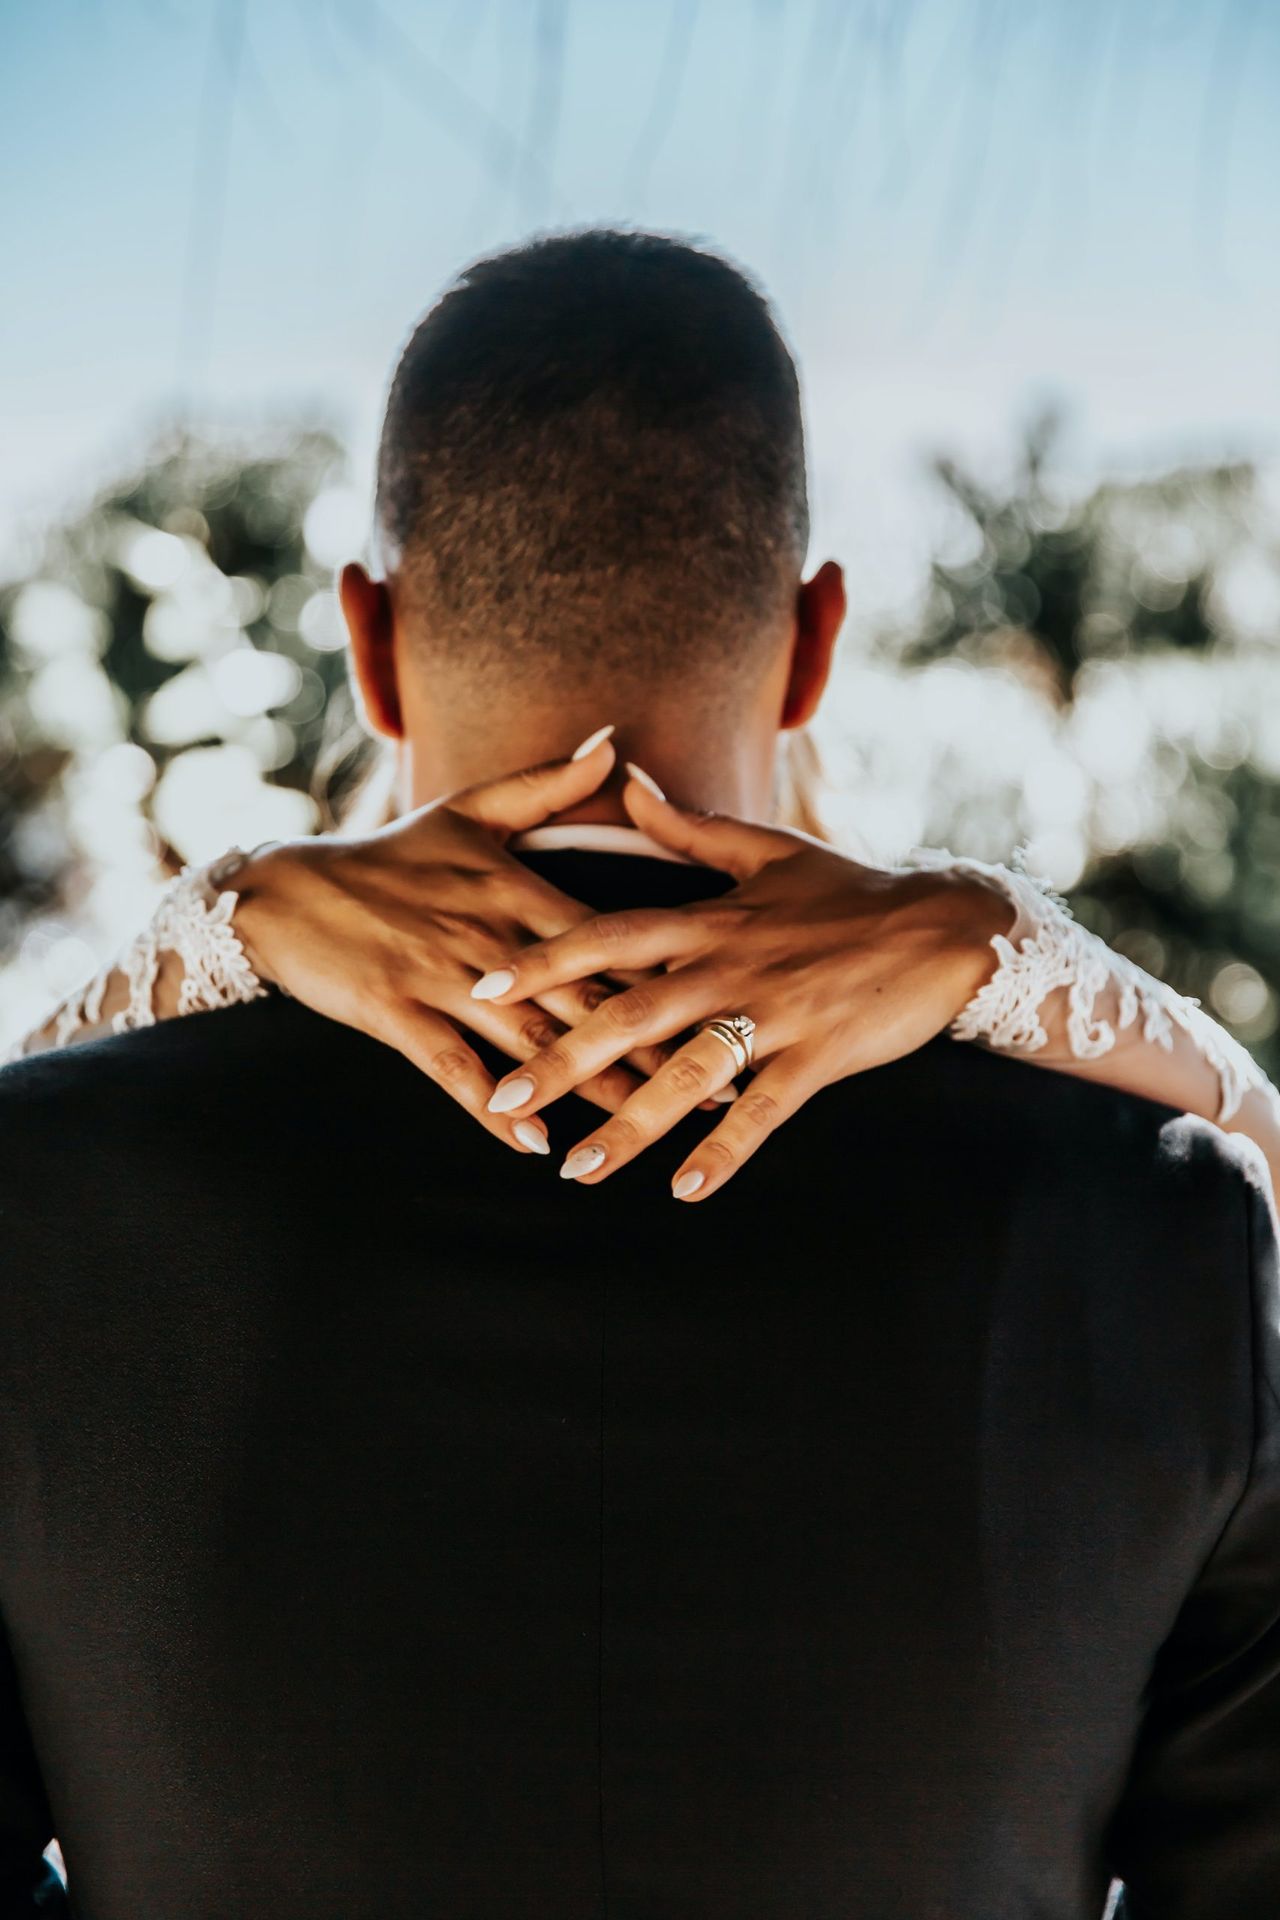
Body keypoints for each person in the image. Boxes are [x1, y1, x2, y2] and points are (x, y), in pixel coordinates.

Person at [1, 229, 1277, 1917]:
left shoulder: (40, 1200)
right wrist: (1019, 956)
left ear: (366, 643)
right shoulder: (1169, 1224)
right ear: (815, 642)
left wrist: (207, 928)